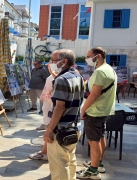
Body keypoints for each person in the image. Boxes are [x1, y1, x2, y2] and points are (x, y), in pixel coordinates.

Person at [77, 47, 117, 180]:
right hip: (103, 110)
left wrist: (83, 110)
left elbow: (94, 94)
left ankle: (93, 171)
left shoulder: (100, 72)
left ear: (98, 56)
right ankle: (98, 163)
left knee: (93, 141)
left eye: (88, 56)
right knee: (100, 137)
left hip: (94, 111)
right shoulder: (110, 69)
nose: (86, 59)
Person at [43, 49, 84, 180]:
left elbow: (59, 107)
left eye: (54, 60)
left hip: (61, 129)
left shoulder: (61, 79)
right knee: (70, 161)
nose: (51, 63)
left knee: (59, 166)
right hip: (74, 127)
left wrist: (49, 130)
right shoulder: (77, 76)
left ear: (64, 61)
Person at [29, 50, 61, 160]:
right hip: (49, 104)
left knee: (50, 130)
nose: (50, 62)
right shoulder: (55, 73)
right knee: (48, 126)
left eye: (53, 60)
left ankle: (46, 152)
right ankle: (45, 151)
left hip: (54, 108)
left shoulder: (62, 76)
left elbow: (59, 100)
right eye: (51, 60)